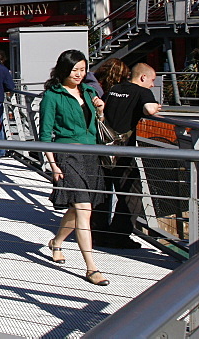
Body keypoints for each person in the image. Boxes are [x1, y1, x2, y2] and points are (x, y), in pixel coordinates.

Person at [40, 49, 109, 286]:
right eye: (74, 70)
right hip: (67, 155)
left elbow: (97, 125)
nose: (79, 74)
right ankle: (91, 267)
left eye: (83, 69)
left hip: (91, 154)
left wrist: (100, 110)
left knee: (80, 207)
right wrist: (53, 165)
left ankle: (56, 242)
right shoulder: (52, 95)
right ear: (63, 70)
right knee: (83, 209)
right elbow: (45, 135)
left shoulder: (89, 92)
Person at [92, 62, 161, 249]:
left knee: (103, 192)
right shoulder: (141, 91)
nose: (153, 85)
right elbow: (149, 109)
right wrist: (155, 107)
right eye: (152, 80)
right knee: (132, 193)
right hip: (123, 151)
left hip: (103, 148)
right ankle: (118, 236)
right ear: (143, 77)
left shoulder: (114, 89)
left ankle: (97, 234)